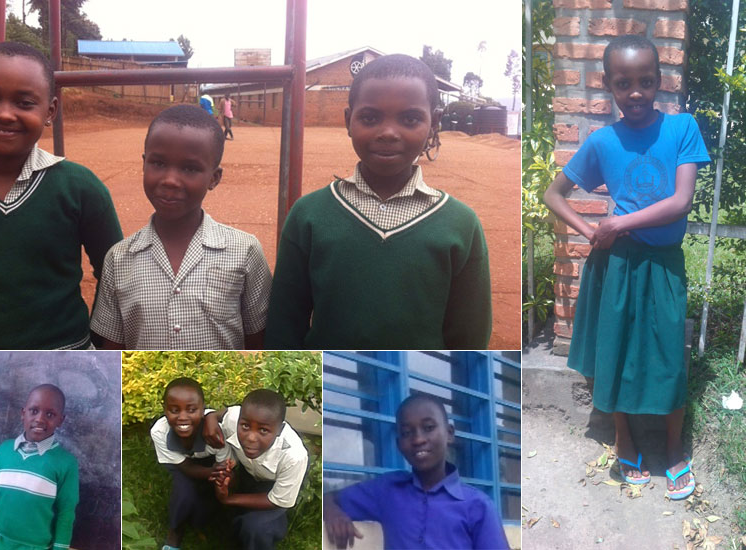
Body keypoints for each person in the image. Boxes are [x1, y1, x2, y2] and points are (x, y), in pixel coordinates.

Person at [543, 35, 710, 500]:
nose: (635, 91)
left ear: (659, 81)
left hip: (662, 265)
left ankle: (675, 450)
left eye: (645, 81)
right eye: (623, 83)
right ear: (609, 86)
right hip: (614, 264)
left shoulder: (682, 129)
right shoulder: (602, 141)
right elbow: (552, 194)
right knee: (614, 354)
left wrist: (616, 221)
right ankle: (624, 442)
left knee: (668, 358)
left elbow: (680, 202)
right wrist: (591, 230)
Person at [264, 54, 491, 349]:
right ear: (348, 121)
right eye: (370, 118)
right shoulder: (309, 215)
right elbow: (285, 322)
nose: (388, 133)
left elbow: (469, 336)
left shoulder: (460, 224)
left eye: (410, 119)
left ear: (434, 123)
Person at [0, 41, 122, 350]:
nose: (4, 114)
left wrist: (90, 347)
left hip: (66, 359)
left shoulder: (81, 188)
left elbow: (115, 278)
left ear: (50, 111)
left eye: (24, 103)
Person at [90, 104, 271, 350]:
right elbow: (112, 347)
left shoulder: (245, 251)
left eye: (189, 168)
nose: (170, 180)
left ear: (214, 178)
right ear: (144, 164)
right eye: (158, 163)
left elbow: (257, 341)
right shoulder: (119, 259)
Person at [324, 393, 509, 550]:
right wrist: (333, 513)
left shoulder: (477, 505)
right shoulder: (387, 491)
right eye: (406, 432)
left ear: (449, 433)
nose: (418, 439)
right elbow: (328, 498)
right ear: (398, 444)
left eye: (428, 428)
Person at [0, 384, 79, 550]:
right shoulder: (5, 450)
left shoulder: (66, 463)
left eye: (50, 414)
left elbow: (66, 513)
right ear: (23, 413)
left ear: (60, 420)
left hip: (34, 546)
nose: (40, 419)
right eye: (34, 411)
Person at [209, 389, 308, 550]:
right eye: (245, 426)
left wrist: (229, 499)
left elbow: (276, 500)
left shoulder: (294, 456)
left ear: (279, 430)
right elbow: (224, 413)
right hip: (248, 473)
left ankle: (268, 529)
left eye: (263, 430)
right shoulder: (234, 419)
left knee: (256, 527)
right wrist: (210, 418)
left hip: (273, 484)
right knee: (225, 515)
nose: (251, 437)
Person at [150, 377, 227, 550]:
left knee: (203, 516)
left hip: (212, 462)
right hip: (183, 465)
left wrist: (220, 474)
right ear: (165, 410)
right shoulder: (159, 431)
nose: (182, 417)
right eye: (174, 410)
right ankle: (174, 534)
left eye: (191, 410)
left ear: (202, 410)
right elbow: (185, 466)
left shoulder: (217, 430)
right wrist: (211, 473)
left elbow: (225, 465)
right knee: (184, 494)